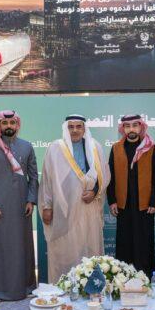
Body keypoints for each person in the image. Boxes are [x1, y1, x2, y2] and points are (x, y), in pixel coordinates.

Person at [39, 115, 110, 282]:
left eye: (79, 126)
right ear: (66, 128)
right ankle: (64, 285)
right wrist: (47, 206)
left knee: (89, 247)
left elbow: (104, 176)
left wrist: (94, 192)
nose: (75, 130)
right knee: (66, 248)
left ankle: (90, 286)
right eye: (71, 127)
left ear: (84, 128)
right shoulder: (56, 148)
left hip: (89, 207)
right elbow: (47, 179)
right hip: (64, 208)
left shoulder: (95, 147)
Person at [0, 110, 38, 301]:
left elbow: (33, 177)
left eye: (12, 122)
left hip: (22, 207)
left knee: (21, 246)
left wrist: (31, 200)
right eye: (5, 123)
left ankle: (25, 286)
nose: (9, 126)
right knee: (0, 247)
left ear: (17, 125)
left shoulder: (27, 146)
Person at [108, 114, 155, 278]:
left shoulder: (149, 147)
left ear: (140, 127)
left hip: (144, 204)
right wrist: (112, 201)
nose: (131, 129)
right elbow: (111, 177)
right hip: (123, 204)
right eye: (127, 126)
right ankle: (123, 280)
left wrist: (154, 201)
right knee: (125, 242)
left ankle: (145, 280)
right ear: (123, 129)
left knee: (144, 243)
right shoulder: (116, 148)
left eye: (135, 125)